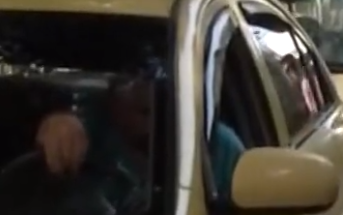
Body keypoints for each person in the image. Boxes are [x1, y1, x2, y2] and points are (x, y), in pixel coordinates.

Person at [34, 78, 244, 204]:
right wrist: (59, 126)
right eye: (130, 81)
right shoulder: (79, 137)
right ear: (111, 96)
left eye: (161, 80)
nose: (145, 88)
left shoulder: (216, 146)